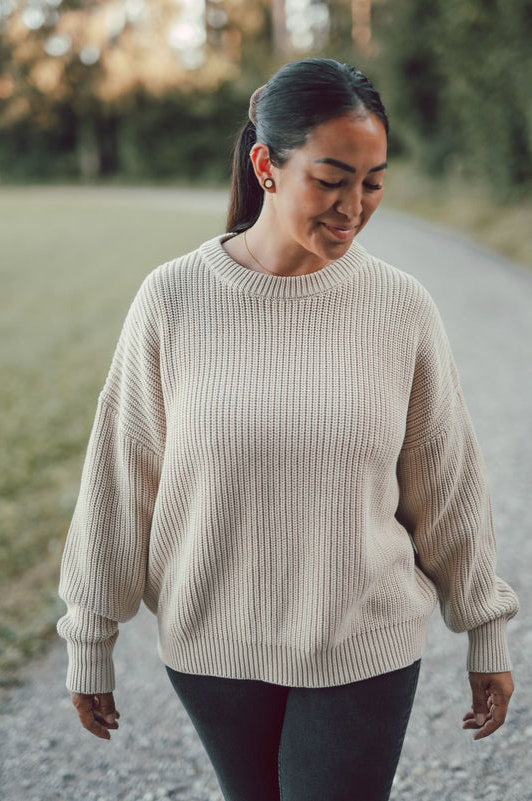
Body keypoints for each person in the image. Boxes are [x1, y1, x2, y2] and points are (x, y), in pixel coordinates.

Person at [57, 58, 519, 801]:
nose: (353, 205)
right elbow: (120, 476)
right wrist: (89, 637)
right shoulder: (172, 299)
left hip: (363, 644)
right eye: (330, 178)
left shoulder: (400, 306)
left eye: (372, 181)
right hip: (213, 651)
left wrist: (483, 628)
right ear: (267, 165)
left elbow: (446, 482)